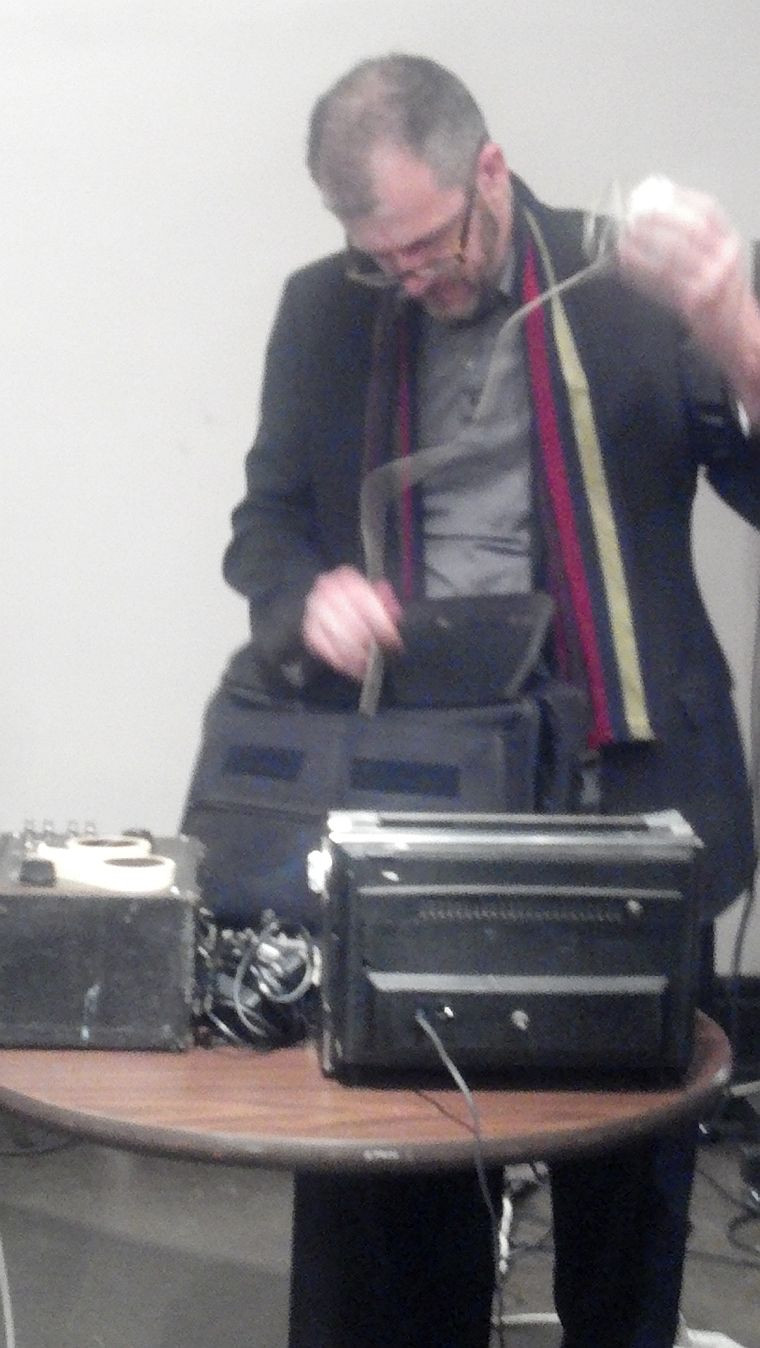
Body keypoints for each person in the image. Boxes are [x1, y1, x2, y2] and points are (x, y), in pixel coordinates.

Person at [184, 55, 760, 1348]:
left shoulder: (630, 282)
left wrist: (736, 324)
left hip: (624, 782)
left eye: (430, 243)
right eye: (377, 255)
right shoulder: (325, 310)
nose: (411, 279)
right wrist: (308, 597)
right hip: (416, 785)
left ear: (489, 170)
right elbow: (263, 525)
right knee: (395, 1165)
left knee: (628, 1184)